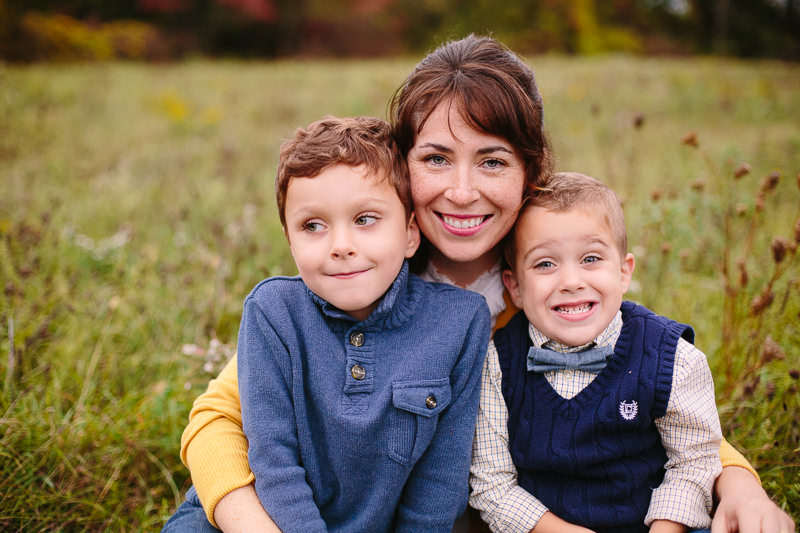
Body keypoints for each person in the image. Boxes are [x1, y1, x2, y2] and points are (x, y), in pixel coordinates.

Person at [163, 35, 795, 533]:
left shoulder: (556, 287)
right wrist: (246, 516)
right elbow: (219, 417)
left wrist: (735, 481)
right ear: (400, 170)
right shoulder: (357, 275)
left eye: (491, 161)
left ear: (530, 170)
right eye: (436, 158)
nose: (462, 192)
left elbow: (653, 404)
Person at [166, 115, 492, 532]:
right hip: (268, 516)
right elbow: (273, 461)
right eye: (313, 226)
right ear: (290, 240)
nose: (340, 247)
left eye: (365, 220)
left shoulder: (460, 322)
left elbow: (442, 476)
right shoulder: (272, 312)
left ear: (411, 234)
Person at [470, 171, 723, 533]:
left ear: (623, 272)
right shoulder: (498, 362)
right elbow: (493, 484)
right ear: (515, 288)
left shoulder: (669, 357)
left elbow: (695, 460)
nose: (572, 281)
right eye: (545, 264)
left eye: (590, 259)